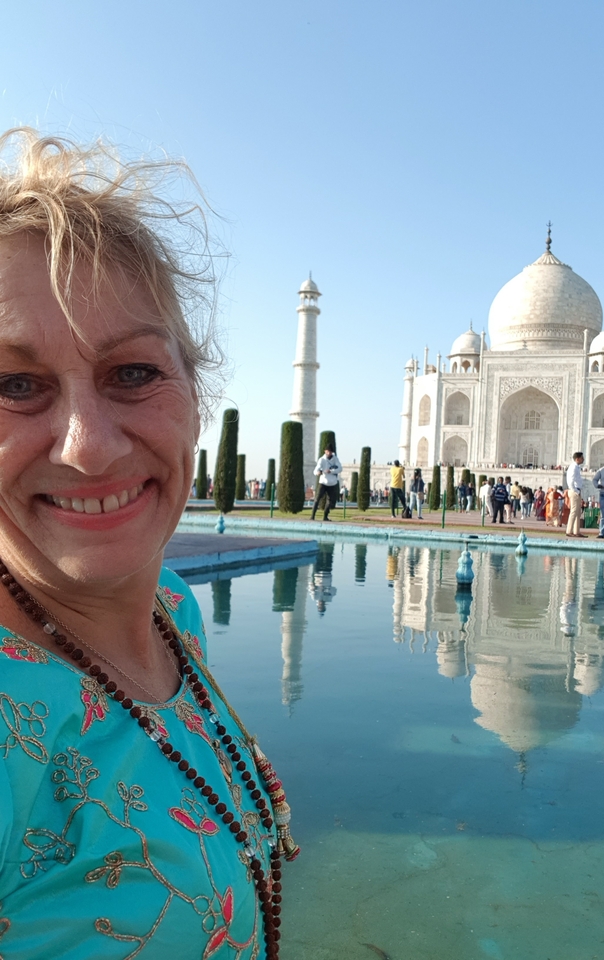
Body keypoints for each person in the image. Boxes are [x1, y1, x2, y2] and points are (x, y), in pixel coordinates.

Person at [0, 128, 295, 957]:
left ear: (196, 396)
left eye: (132, 373)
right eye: (15, 385)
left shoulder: (173, 612)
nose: (87, 446)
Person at [311, 444, 342, 521]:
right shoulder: (322, 459)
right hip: (323, 483)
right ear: (325, 451)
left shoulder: (335, 459)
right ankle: (312, 516)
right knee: (317, 499)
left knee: (330, 501)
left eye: (330, 452)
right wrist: (318, 472)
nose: (329, 453)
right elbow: (315, 470)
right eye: (328, 451)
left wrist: (331, 471)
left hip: (332, 483)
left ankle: (325, 517)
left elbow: (340, 469)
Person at [565, 452, 586, 538]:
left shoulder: (577, 467)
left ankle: (576, 531)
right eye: (582, 458)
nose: (583, 459)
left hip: (577, 491)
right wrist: (575, 490)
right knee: (573, 511)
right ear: (577, 459)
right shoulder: (573, 467)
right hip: (574, 491)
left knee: (577, 512)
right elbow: (570, 481)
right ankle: (569, 531)